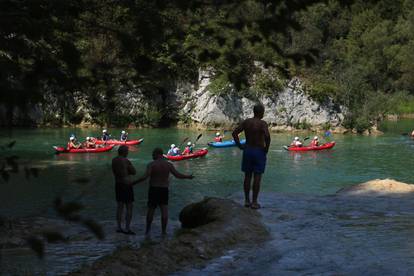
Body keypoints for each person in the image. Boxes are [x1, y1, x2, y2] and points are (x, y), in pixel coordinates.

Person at [134, 148, 194, 235]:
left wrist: (133, 183)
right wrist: (188, 177)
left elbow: (144, 177)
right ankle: (163, 231)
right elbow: (177, 175)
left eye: (153, 154)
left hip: (154, 189)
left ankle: (147, 230)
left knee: (151, 210)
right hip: (164, 189)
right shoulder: (168, 165)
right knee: (164, 210)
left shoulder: (151, 164)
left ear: (158, 154)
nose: (152, 156)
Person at [232, 103, 270, 210]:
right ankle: (254, 202)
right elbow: (267, 136)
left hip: (248, 150)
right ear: (261, 112)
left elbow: (234, 133)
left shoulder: (246, 122)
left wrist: (239, 146)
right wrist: (266, 149)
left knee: (247, 176)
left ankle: (247, 201)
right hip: (259, 151)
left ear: (254, 112)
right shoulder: (263, 124)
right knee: (257, 176)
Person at [112, 145, 137, 235]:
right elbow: (134, 172)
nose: (128, 152)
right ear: (124, 152)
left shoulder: (114, 160)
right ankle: (127, 228)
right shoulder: (126, 161)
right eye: (127, 151)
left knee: (120, 206)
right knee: (129, 206)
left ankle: (119, 227)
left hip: (118, 184)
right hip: (126, 185)